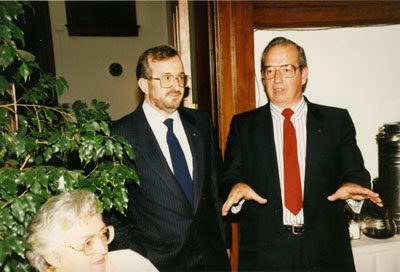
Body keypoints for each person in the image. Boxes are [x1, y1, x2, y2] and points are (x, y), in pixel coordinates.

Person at [220, 37, 383, 271]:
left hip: (326, 252)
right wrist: (235, 186)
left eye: (287, 69)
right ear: (263, 76)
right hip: (265, 256)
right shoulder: (243, 126)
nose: (277, 79)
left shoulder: (336, 121)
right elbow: (229, 176)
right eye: (270, 70)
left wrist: (352, 187)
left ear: (303, 74)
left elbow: (355, 172)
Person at [104, 45, 230, 272]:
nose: (176, 86)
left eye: (180, 77)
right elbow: (111, 214)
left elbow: (214, 190)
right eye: (166, 78)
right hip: (154, 264)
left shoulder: (201, 123)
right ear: (144, 84)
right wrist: (133, 261)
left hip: (211, 260)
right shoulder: (119, 136)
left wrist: (224, 243)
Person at [25, 189, 157, 272]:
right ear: (53, 257)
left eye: (103, 234)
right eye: (87, 243)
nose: (104, 249)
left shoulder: (131, 263)